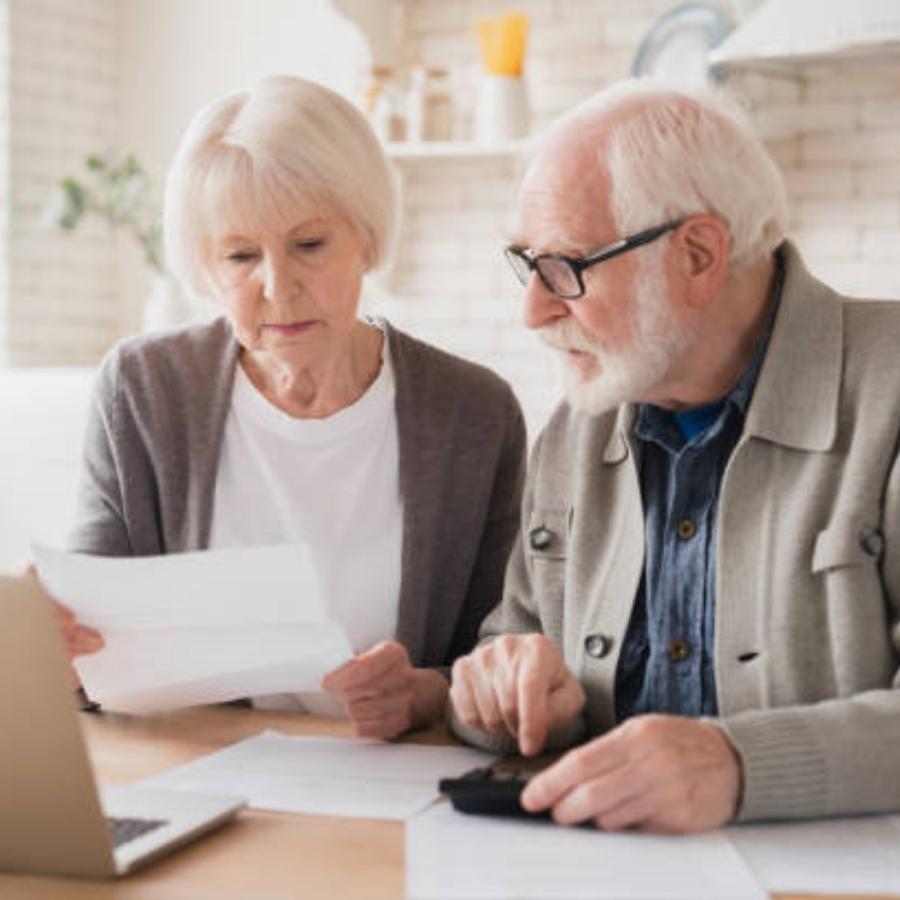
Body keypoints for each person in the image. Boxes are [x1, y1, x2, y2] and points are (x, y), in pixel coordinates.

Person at [448, 78, 900, 832]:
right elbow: (514, 637)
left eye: (564, 267)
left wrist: (738, 763)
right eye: (527, 265)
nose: (533, 310)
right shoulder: (575, 427)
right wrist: (507, 694)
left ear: (697, 255)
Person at [56, 74, 525, 739]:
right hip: (194, 773)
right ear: (205, 267)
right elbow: (89, 650)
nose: (278, 287)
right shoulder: (141, 391)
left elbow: (502, 653)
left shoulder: (474, 414)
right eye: (241, 255)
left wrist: (422, 694)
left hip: (391, 781)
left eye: (309, 246)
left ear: (366, 236)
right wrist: (54, 645)